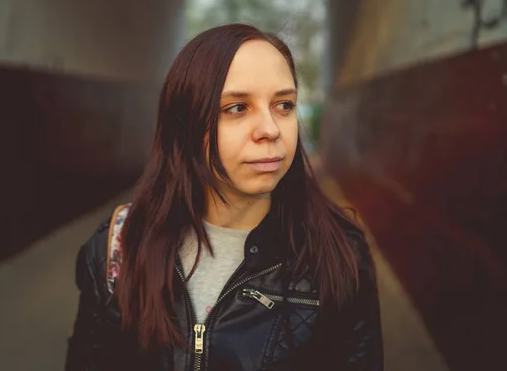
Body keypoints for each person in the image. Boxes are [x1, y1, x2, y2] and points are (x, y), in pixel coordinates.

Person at [65, 24, 383, 370]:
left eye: (284, 105)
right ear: (185, 125)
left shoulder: (341, 254)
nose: (271, 130)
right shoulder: (118, 249)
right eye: (236, 108)